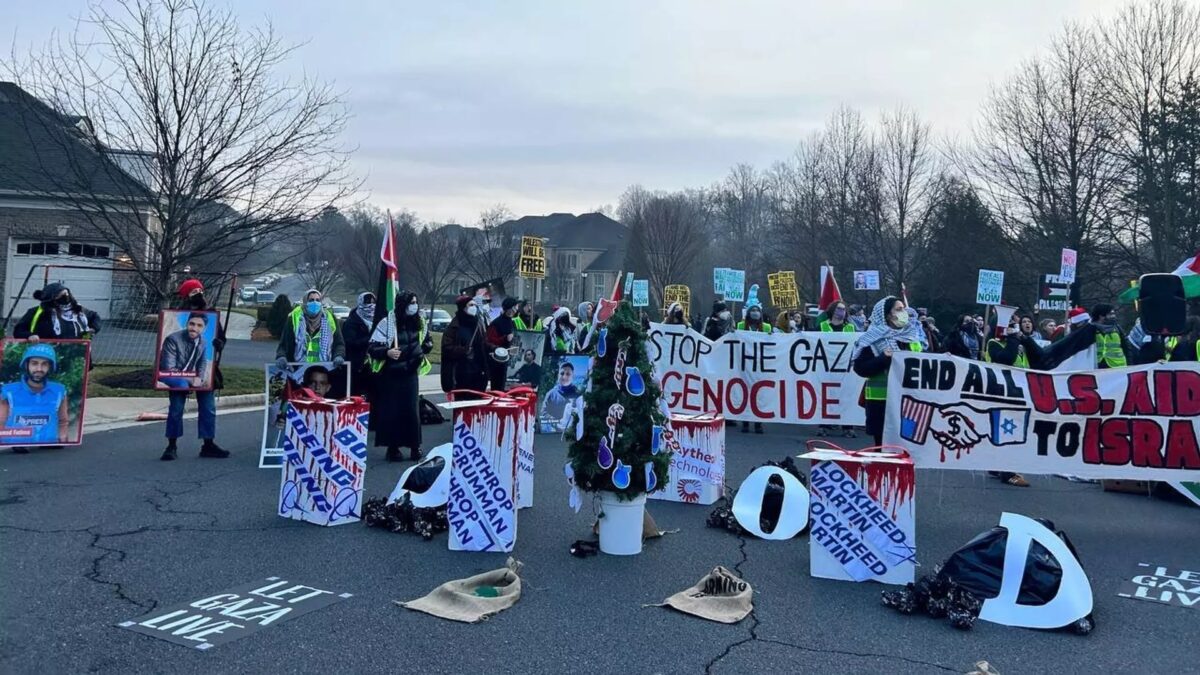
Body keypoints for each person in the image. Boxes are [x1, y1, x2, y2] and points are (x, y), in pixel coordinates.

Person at [161, 279, 228, 461]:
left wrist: (219, 344)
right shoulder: (174, 334)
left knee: (208, 408)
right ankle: (171, 445)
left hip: (201, 374)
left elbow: (220, 341)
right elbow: (168, 366)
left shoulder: (210, 317)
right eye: (193, 292)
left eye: (199, 292)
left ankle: (208, 444)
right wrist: (188, 378)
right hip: (178, 375)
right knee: (176, 408)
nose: (195, 328)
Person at [368, 291, 433, 462]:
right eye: (411, 302)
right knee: (392, 412)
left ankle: (414, 446)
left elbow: (426, 341)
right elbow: (372, 347)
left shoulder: (420, 322)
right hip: (392, 374)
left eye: (415, 302)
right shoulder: (387, 323)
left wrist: (427, 346)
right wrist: (387, 352)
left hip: (411, 372)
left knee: (411, 411)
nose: (414, 306)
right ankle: (393, 448)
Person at [852, 296, 924, 447]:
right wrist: (883, 358)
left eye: (904, 309)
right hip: (881, 402)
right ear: (887, 315)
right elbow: (860, 368)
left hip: (909, 401)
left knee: (908, 445)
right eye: (899, 309)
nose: (904, 313)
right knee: (883, 448)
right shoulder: (872, 338)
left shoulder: (911, 336)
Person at [982, 317, 1033, 488]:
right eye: (1011, 324)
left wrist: (1024, 340)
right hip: (1002, 392)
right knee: (1009, 431)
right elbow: (1006, 359)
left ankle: (997, 466)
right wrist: (1012, 339)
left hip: (1019, 391)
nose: (1015, 327)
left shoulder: (1020, 343)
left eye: (1015, 324)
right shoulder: (994, 343)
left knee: (1006, 430)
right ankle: (1009, 473)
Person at [0, 344, 70, 451]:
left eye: (44, 364)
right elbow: (1, 422)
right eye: (34, 363)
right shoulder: (9, 391)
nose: (39, 369)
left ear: (50, 367)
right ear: (26, 365)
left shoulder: (58, 391)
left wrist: (62, 438)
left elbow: (63, 421)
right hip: (15, 452)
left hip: (50, 450)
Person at [275, 289, 346, 371]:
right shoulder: (294, 318)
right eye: (311, 300)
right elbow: (283, 344)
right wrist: (281, 356)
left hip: (323, 370)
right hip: (298, 370)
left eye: (318, 300)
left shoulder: (330, 319)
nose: (315, 303)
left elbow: (339, 343)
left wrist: (338, 355)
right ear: (305, 302)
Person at [818, 301, 856, 438]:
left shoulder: (851, 327)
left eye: (844, 309)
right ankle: (824, 425)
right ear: (833, 310)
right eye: (839, 309)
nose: (842, 311)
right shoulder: (822, 326)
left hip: (845, 368)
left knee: (846, 397)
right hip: (826, 368)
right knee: (826, 397)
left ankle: (848, 426)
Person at [13, 282, 101, 341]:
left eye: (66, 293)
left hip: (78, 355)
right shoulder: (38, 312)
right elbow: (18, 331)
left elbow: (95, 317)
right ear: (51, 299)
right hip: (48, 355)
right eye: (60, 295)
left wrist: (93, 329)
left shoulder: (78, 310)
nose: (66, 297)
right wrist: (30, 335)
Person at [442, 295, 489, 393]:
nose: (474, 308)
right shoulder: (454, 327)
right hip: (460, 373)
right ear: (463, 307)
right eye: (471, 305)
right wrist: (463, 350)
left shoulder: (478, 324)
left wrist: (494, 348)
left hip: (478, 373)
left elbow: (484, 343)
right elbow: (447, 348)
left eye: (475, 305)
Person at [157, 312, 213, 389]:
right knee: (182, 384)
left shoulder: (202, 342)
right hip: (166, 374)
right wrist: (190, 379)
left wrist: (200, 378)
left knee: (209, 385)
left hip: (186, 374)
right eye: (192, 324)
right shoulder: (172, 339)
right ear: (187, 324)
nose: (194, 328)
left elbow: (202, 362)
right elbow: (169, 369)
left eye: (199, 325)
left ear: (204, 329)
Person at [342, 292, 374, 397]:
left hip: (373, 365)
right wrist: (370, 339)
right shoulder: (352, 321)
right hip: (356, 366)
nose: (371, 306)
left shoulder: (377, 320)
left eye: (373, 303)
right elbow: (350, 342)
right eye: (368, 303)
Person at [486, 297, 520, 390]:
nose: (517, 309)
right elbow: (489, 341)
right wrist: (504, 338)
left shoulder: (512, 322)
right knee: (498, 386)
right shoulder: (496, 323)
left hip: (510, 360)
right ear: (510, 308)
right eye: (515, 306)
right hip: (498, 361)